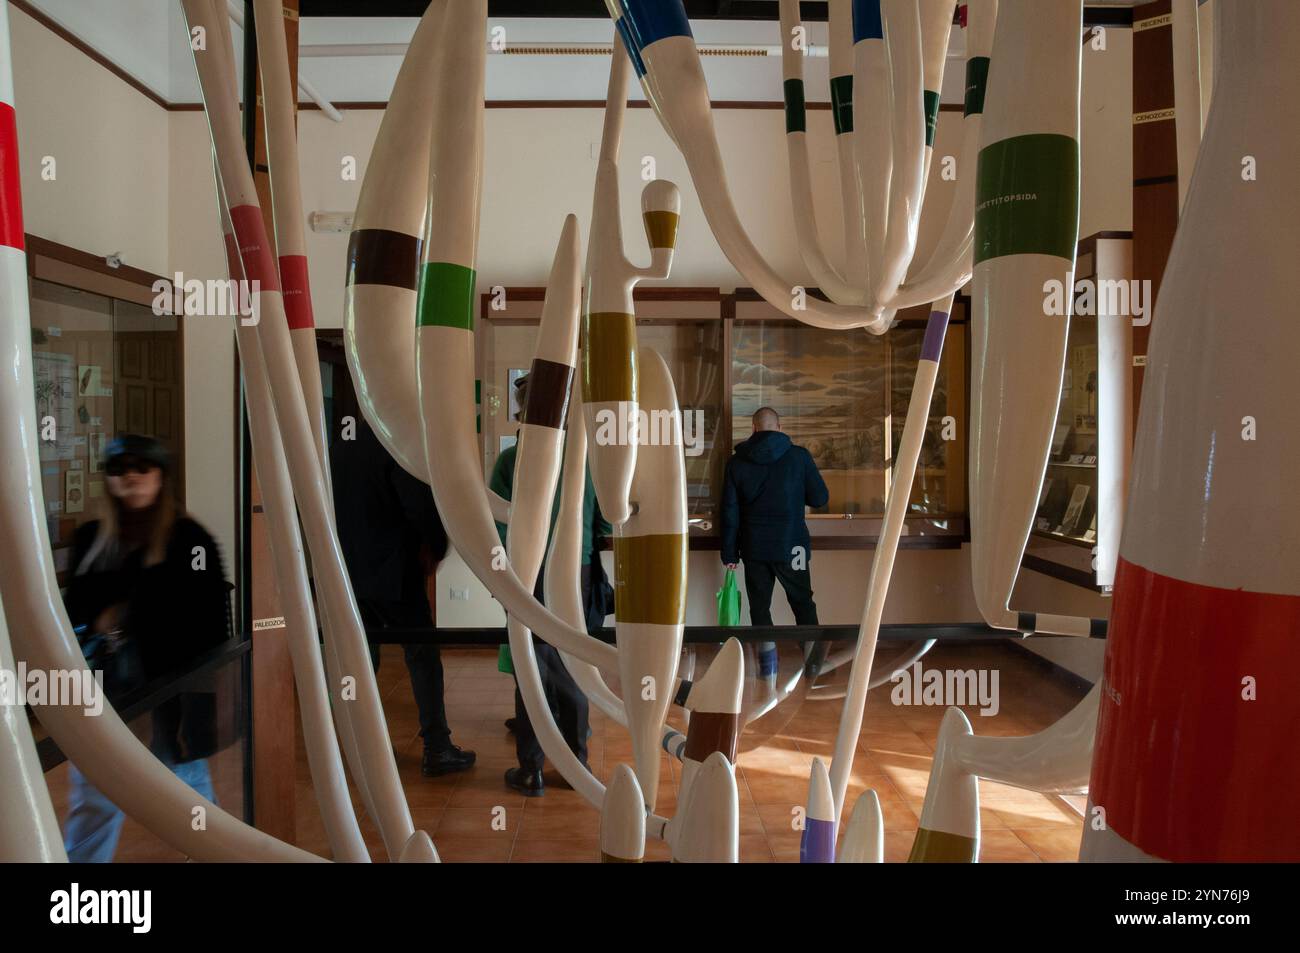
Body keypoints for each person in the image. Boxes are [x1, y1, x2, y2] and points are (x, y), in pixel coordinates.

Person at [63, 434, 230, 862]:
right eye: (120, 470)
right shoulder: (92, 540)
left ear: (160, 476)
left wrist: (127, 613)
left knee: (190, 799)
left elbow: (207, 620)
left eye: (143, 468)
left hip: (169, 695)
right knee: (96, 801)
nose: (132, 478)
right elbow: (76, 610)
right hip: (106, 694)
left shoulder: (190, 539)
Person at [330, 418, 475, 777]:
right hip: (394, 569)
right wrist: (436, 546)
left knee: (360, 661)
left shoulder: (338, 443)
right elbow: (419, 506)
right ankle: (437, 746)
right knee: (422, 655)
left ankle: (364, 747)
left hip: (346, 569)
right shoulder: (395, 440)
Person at [490, 373, 612, 798]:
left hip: (525, 571)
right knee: (574, 664)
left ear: (523, 412)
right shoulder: (580, 460)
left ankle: (532, 768)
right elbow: (603, 523)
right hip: (573, 571)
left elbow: (494, 525)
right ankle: (576, 763)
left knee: (531, 668)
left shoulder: (512, 461)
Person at [720, 407, 829, 626]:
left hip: (755, 548)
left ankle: (767, 660)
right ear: (780, 428)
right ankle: (813, 660)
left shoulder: (736, 463)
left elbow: (730, 511)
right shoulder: (800, 457)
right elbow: (820, 499)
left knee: (759, 609)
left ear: (753, 429)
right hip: (794, 546)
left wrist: (730, 554)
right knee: (803, 603)